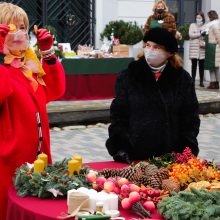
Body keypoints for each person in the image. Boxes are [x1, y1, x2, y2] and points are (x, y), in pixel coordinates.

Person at [0, 3, 65, 220]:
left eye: (23, 27)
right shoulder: (6, 68)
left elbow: (54, 90)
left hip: (38, 161)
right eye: (11, 28)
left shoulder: (28, 65)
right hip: (8, 165)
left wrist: (47, 53)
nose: (19, 33)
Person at [106, 27, 200, 164]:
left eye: (156, 47)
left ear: (168, 52)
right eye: (148, 45)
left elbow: (190, 118)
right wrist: (121, 147)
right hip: (135, 156)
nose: (150, 50)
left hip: (170, 157)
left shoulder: (182, 79)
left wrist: (185, 149)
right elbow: (118, 115)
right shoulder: (128, 75)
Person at [201, 10, 220, 89]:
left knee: (216, 66)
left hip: (214, 47)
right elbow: (203, 33)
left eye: (209, 16)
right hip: (209, 47)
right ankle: (213, 83)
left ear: (212, 16)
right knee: (210, 66)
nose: (208, 18)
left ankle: (216, 83)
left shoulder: (215, 25)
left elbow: (219, 37)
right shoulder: (209, 25)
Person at [189, 12, 206, 87]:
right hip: (194, 48)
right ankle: (193, 80)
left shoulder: (205, 26)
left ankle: (201, 81)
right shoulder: (192, 25)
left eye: (200, 18)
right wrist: (200, 34)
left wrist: (204, 35)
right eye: (197, 17)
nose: (198, 19)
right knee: (194, 65)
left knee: (202, 66)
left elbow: (206, 36)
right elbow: (191, 35)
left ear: (202, 18)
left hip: (202, 48)